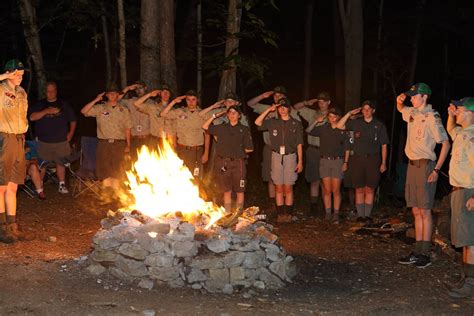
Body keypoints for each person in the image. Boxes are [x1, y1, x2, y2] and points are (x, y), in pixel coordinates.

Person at [396, 83, 450, 268]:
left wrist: (436, 170)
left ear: (424, 97)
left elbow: (445, 143)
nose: (411, 98)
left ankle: (424, 254)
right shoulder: (413, 113)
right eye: (411, 95)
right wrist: (399, 102)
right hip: (411, 166)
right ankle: (417, 251)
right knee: (416, 209)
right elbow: (401, 109)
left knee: (425, 211)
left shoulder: (432, 117)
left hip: (426, 166)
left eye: (414, 95)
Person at [247, 86, 300, 211]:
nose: (278, 97)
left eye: (280, 95)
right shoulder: (268, 109)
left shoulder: (290, 111)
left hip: (288, 151)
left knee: (287, 182)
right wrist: (262, 96)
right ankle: (274, 204)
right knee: (271, 177)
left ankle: (286, 209)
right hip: (270, 147)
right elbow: (250, 104)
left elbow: (297, 131)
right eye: (275, 95)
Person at [337, 100, 389, 221]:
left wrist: (383, 163)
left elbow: (384, 145)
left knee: (370, 188)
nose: (366, 111)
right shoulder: (355, 124)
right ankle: (361, 216)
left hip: (373, 159)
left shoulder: (379, 125)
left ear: (373, 110)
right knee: (359, 188)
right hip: (357, 159)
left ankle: (367, 216)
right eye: (364, 109)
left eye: (368, 109)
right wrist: (349, 113)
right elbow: (339, 126)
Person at [255, 98, 303, 222]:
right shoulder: (272, 122)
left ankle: (289, 214)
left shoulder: (296, 123)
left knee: (288, 187)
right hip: (276, 155)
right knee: (278, 187)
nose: (282, 109)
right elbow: (257, 122)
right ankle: (280, 215)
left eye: (285, 107)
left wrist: (300, 161)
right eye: (280, 107)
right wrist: (268, 110)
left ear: (289, 109)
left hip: (290, 156)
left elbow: (299, 144)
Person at [446, 98, 474, 298]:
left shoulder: (472, 137)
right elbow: (450, 129)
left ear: (471, 113)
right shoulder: (462, 133)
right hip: (458, 190)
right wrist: (450, 114)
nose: (457, 112)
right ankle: (466, 277)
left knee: (471, 240)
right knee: (464, 239)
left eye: (460, 110)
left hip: (468, 192)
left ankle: (470, 285)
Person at [308, 107, 356, 224]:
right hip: (324, 161)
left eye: (334, 116)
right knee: (326, 190)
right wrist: (316, 121)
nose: (332, 118)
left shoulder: (343, 130)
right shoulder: (323, 128)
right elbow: (308, 130)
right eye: (330, 116)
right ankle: (328, 213)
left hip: (337, 161)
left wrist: (345, 162)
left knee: (336, 190)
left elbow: (347, 148)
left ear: (338, 117)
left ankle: (336, 214)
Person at [81, 83, 132, 192]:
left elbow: (128, 128)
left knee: (117, 168)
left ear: (118, 95)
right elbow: (84, 111)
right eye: (110, 93)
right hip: (104, 143)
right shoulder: (100, 108)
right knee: (104, 168)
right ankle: (106, 195)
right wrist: (96, 100)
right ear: (107, 95)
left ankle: (116, 194)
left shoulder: (124, 110)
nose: (113, 95)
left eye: (115, 93)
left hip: (119, 143)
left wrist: (128, 144)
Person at [202, 106, 254, 212]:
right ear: (227, 115)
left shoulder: (244, 129)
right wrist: (215, 115)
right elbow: (205, 126)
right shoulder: (222, 127)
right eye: (230, 112)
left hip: (238, 163)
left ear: (239, 116)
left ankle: (238, 214)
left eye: (235, 113)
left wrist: (237, 152)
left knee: (240, 190)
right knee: (227, 190)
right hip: (224, 163)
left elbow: (250, 148)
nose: (232, 114)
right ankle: (228, 213)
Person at [28, 81, 77, 194]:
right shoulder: (40, 104)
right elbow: (32, 117)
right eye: (48, 91)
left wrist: (70, 134)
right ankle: (39, 186)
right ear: (45, 92)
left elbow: (73, 120)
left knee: (61, 163)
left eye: (52, 91)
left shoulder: (63, 104)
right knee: (42, 164)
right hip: (43, 141)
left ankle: (61, 185)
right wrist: (46, 111)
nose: (50, 93)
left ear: (56, 91)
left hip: (61, 141)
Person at [0, 59, 29, 243]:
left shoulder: (22, 92)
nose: (19, 77)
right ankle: (2, 227)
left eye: (21, 74)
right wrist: (4, 77)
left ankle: (12, 225)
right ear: (8, 73)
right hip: (4, 138)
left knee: (13, 185)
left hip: (19, 139)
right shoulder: (2, 89)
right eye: (16, 74)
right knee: (1, 185)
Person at [293, 91, 331, 216]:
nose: (321, 104)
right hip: (313, 150)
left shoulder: (333, 115)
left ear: (328, 102)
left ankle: (327, 209)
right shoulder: (312, 113)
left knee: (325, 181)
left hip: (327, 151)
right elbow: (294, 107)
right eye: (319, 101)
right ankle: (313, 207)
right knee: (314, 180)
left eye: (324, 101)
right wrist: (307, 102)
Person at [160, 90, 206, 178]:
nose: (191, 102)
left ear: (197, 100)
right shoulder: (179, 112)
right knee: (180, 176)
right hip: (182, 149)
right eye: (188, 99)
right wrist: (173, 102)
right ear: (186, 100)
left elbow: (207, 134)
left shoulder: (202, 113)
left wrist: (206, 152)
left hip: (196, 150)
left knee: (195, 177)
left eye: (193, 99)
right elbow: (163, 114)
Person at [132, 84, 175, 148]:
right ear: (160, 94)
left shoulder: (174, 110)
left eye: (167, 92)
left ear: (170, 94)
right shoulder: (153, 108)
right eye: (163, 92)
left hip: (168, 141)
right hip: (155, 140)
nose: (165, 94)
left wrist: (174, 142)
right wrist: (149, 95)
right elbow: (136, 104)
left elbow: (174, 128)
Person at [121, 81, 151, 154]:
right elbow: (116, 100)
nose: (138, 90)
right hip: (134, 138)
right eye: (136, 88)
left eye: (140, 88)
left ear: (145, 88)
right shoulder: (130, 102)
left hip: (148, 138)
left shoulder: (152, 103)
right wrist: (127, 88)